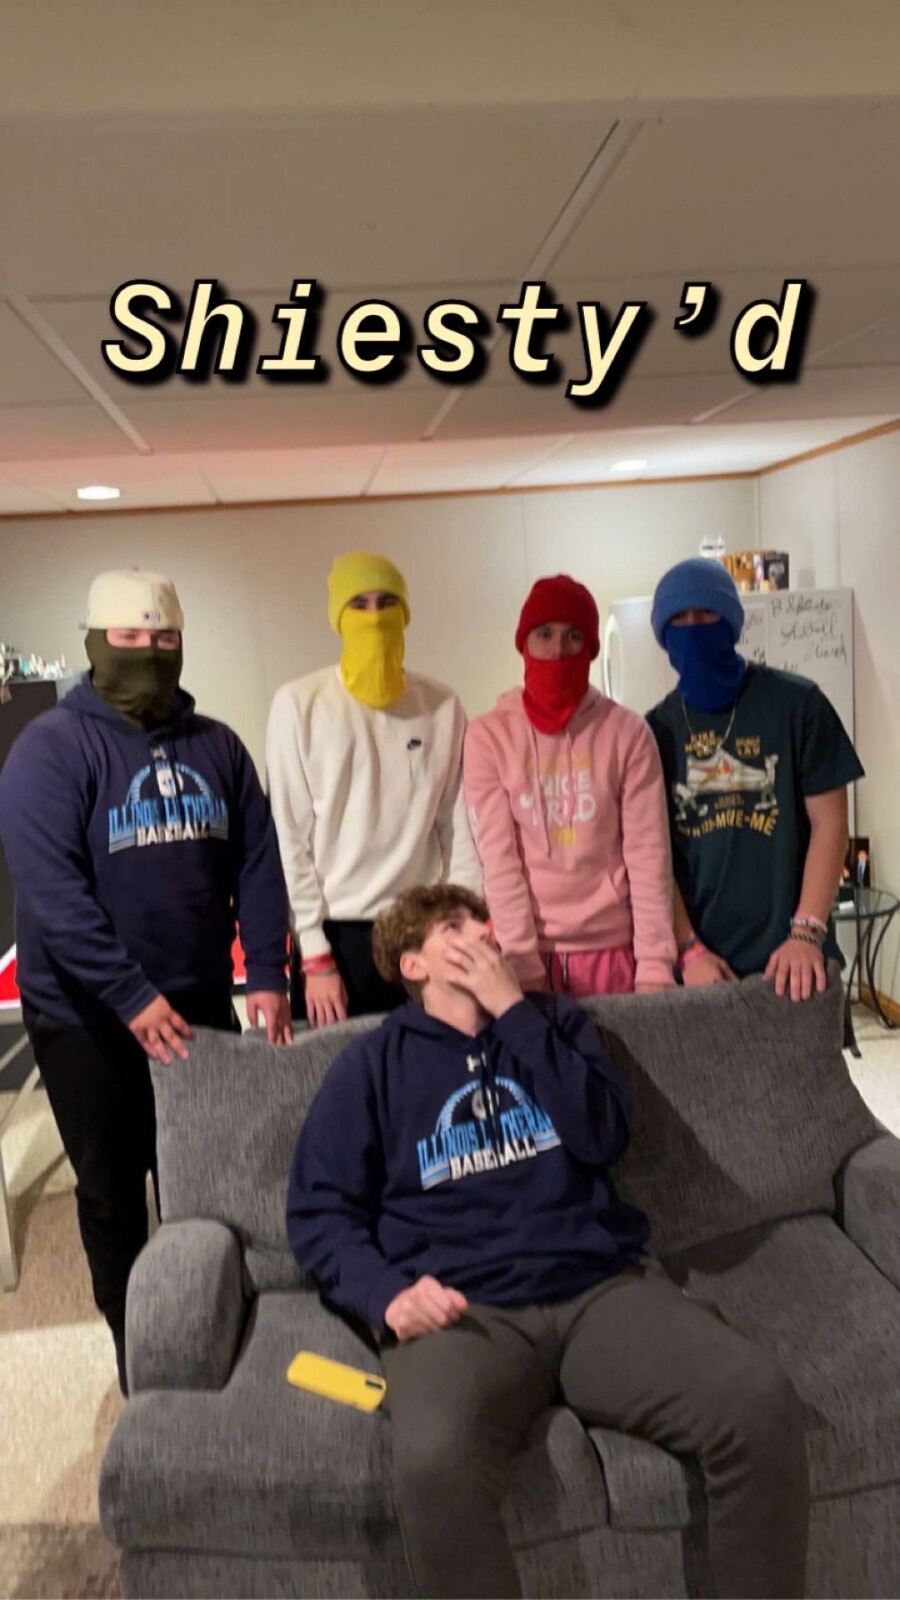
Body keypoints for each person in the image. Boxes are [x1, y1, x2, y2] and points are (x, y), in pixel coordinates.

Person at [287, 883, 809, 1600]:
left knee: (758, 1401)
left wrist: (513, 1013)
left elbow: (602, 1136)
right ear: (412, 964)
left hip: (599, 1291)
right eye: (454, 927)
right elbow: (319, 1214)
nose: (482, 932)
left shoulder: (556, 1023)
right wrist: (387, 1296)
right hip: (465, 1314)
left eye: (482, 920)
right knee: (433, 1462)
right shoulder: (371, 1066)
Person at [0, 568, 291, 1392]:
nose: (149, 653)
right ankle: (142, 1355)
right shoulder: (49, 750)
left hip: (196, 1003)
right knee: (113, 1194)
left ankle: (216, 1325)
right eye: (129, 638)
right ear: (96, 644)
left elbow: (258, 864)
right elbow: (53, 894)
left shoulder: (218, 747)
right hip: (87, 1019)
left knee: (209, 1178)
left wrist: (268, 973)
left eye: (164, 638)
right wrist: (130, 995)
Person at [266, 551, 481, 1028]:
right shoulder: (299, 705)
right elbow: (290, 839)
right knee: (337, 1072)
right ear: (337, 617)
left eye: (387, 602)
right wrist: (314, 951)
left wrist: (461, 925)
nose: (374, 616)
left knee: (433, 1068)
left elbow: (458, 827)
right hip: (338, 938)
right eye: (359, 604)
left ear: (405, 612)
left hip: (422, 929)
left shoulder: (442, 706)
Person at [646, 558, 864, 1000]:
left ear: (730, 620)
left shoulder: (799, 705)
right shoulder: (653, 731)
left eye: (706, 613)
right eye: (679, 618)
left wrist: (806, 932)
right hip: (700, 966)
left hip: (796, 958)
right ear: (663, 633)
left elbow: (831, 824)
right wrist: (688, 950)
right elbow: (652, 857)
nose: (693, 627)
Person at [463, 574, 676, 997]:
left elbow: (649, 856)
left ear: (590, 648)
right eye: (544, 634)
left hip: (615, 951)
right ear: (524, 643)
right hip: (527, 956)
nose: (558, 650)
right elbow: (499, 861)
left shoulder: (628, 733)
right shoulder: (488, 736)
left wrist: (655, 965)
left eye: (573, 636)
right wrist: (521, 965)